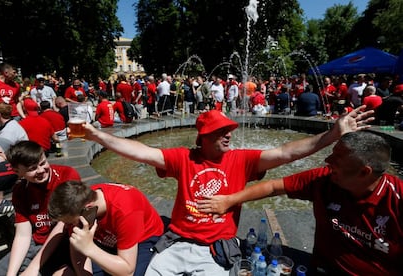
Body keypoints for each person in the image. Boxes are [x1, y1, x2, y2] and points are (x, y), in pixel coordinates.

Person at [76, 107, 373, 275]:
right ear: (204, 137)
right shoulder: (184, 158)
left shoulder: (241, 160)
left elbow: (286, 153)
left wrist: (333, 134)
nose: (230, 133)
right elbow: (141, 152)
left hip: (215, 249)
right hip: (177, 241)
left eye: (229, 129)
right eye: (221, 131)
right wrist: (98, 135)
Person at [197, 131, 402, 275]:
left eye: (337, 158)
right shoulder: (324, 179)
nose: (327, 161)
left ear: (364, 172)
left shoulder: (397, 199)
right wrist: (229, 200)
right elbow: (273, 186)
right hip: (322, 268)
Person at [0, 141, 83, 275]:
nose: (41, 170)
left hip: (66, 245)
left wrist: (34, 267)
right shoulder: (20, 191)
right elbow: (23, 235)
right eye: (32, 169)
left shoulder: (66, 176)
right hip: (36, 245)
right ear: (17, 171)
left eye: (43, 163)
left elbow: (63, 226)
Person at [48, 180, 164, 276]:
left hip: (142, 239)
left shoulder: (126, 210)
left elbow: (127, 271)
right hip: (106, 238)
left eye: (70, 223)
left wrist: (89, 248)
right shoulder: (81, 200)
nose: (70, 227)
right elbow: (77, 247)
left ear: (88, 209)